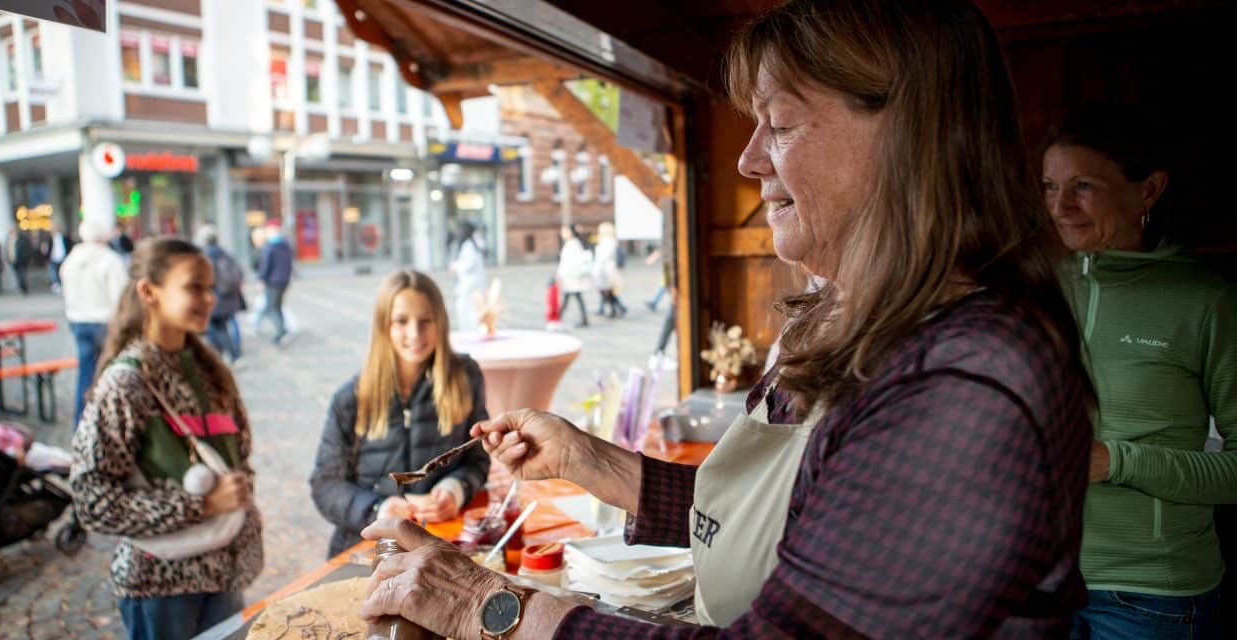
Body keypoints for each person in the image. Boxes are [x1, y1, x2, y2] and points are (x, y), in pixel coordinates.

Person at [356, 2, 1095, 638]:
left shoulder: (968, 384)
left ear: (905, 131)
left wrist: (489, 606)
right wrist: (593, 463)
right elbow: (785, 523)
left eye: (776, 123)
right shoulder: (868, 325)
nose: (747, 159)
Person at [1042, 105, 1236, 640]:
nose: (1060, 207)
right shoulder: (1039, 291)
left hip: (1150, 599)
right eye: (1049, 186)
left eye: (1082, 186)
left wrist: (1116, 461)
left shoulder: (1205, 302)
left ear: (1147, 190)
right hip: (1033, 586)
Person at [69, 238, 262, 640]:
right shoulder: (127, 382)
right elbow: (92, 501)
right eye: (194, 287)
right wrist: (201, 504)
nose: (209, 298)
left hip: (222, 574)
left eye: (210, 288)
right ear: (149, 291)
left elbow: (237, 455)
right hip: (161, 588)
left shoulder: (211, 371)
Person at [310, 270, 490, 558]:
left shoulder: (464, 378)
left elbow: (477, 459)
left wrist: (455, 489)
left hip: (439, 543)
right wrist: (377, 509)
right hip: (369, 549)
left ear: (440, 322)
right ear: (384, 326)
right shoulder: (351, 399)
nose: (415, 334)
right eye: (401, 321)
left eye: (425, 321)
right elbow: (325, 486)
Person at [59, 218, 128, 428]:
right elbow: (121, 297)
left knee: (86, 373)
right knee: (113, 372)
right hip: (105, 321)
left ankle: (82, 421)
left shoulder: (70, 260)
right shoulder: (110, 260)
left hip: (79, 321)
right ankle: (111, 421)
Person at [195, 225, 245, 364]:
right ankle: (224, 354)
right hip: (229, 297)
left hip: (218, 299)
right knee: (224, 325)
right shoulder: (224, 252)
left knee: (217, 327)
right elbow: (239, 272)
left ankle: (230, 354)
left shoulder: (207, 256)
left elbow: (207, 279)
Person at [256, 222, 294, 345]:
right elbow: (289, 265)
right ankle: (283, 331)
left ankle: (282, 332)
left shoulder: (270, 247)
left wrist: (262, 279)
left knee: (272, 308)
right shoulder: (286, 245)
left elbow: (265, 265)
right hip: (283, 281)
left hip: (272, 282)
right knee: (277, 307)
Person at [449, 221, 488, 332]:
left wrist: (454, 266)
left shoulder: (468, 246)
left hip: (469, 287)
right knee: (472, 313)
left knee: (468, 315)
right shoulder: (475, 244)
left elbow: (467, 266)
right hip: (474, 286)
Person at [556, 224, 591, 328]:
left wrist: (560, 274)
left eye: (564, 231)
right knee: (574, 297)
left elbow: (568, 263)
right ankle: (583, 319)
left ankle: (558, 318)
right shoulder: (571, 244)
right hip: (571, 277)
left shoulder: (573, 245)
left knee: (571, 297)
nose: (562, 233)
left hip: (571, 277)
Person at [592, 221, 627, 318]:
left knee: (608, 291)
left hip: (606, 271)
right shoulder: (609, 241)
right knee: (608, 292)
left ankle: (616, 309)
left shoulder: (608, 242)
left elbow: (603, 258)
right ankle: (615, 309)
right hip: (606, 270)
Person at [47, 222, 72, 294]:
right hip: (53, 258)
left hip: (63, 258)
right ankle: (56, 285)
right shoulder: (49, 238)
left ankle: (63, 285)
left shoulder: (64, 237)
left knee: (63, 272)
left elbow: (69, 246)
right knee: (53, 272)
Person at [6, 226, 31, 295]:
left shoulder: (22, 239)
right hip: (12, 261)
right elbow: (7, 250)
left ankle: (24, 288)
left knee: (22, 275)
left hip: (22, 261)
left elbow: (27, 250)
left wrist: (26, 259)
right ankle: (21, 288)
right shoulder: (8, 240)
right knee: (17, 275)